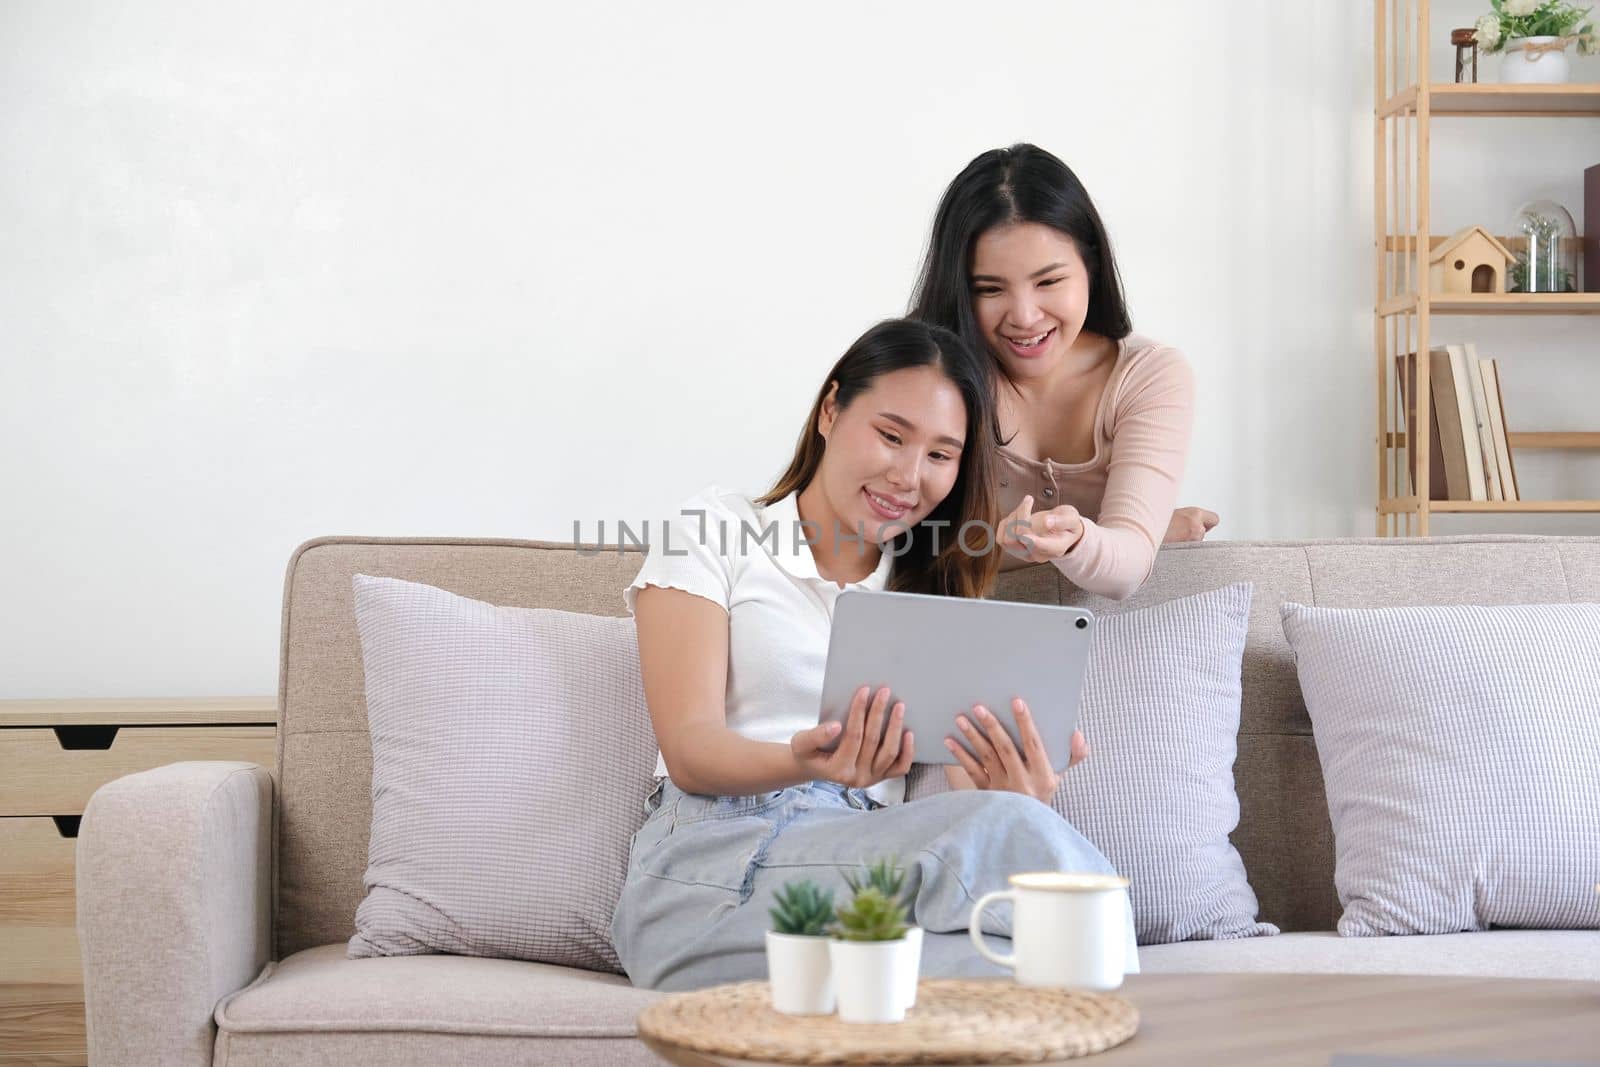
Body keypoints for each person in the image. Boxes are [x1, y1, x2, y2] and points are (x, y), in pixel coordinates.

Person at [610, 318, 1137, 991]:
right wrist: (800, 759)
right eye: (891, 435)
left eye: (941, 455)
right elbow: (689, 747)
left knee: (1042, 976)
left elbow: (953, 808)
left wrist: (1014, 793)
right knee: (1028, 857)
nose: (908, 476)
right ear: (831, 409)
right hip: (709, 873)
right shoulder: (716, 530)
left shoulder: (928, 598)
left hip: (861, 891)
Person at [911, 143, 1218, 601]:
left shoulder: (1149, 376)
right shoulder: (927, 373)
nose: (1025, 316)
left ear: (1090, 267)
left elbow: (1125, 570)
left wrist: (1080, 538)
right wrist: (1126, 533)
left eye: (1049, 282)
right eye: (989, 289)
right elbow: (895, 541)